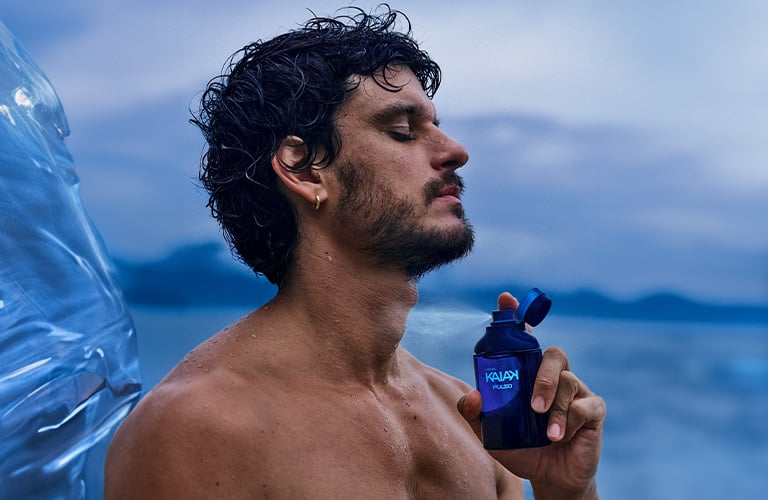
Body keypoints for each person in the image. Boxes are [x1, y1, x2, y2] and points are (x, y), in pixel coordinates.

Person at [104, 6, 605, 499]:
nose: (456, 150)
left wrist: (567, 491)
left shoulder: (469, 418)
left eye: (436, 125)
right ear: (304, 170)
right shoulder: (195, 428)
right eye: (403, 131)